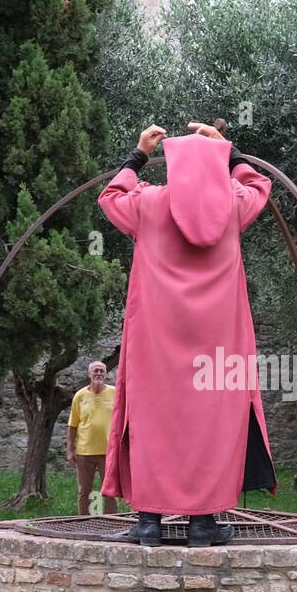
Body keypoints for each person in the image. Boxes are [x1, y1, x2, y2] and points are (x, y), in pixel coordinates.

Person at [97, 120, 278, 546]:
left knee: (152, 421)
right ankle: (202, 524)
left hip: (154, 346)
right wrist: (229, 152)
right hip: (219, 347)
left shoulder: (148, 204)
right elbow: (260, 186)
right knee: (214, 425)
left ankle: (148, 523)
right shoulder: (233, 206)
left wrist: (138, 155)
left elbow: (110, 196)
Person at [67, 361, 118, 515]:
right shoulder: (80, 396)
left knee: (110, 490)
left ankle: (113, 522)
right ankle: (84, 521)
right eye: (95, 371)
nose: (99, 374)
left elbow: (122, 419)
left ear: (106, 374)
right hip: (84, 452)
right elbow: (72, 425)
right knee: (84, 490)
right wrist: (70, 450)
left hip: (108, 451)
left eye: (102, 371)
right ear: (89, 374)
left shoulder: (115, 393)